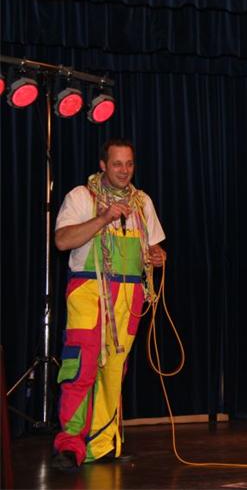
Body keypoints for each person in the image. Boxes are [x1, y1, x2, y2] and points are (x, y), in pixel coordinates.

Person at [51, 139, 166, 470]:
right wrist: (102, 219)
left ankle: (102, 445)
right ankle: (70, 445)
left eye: (129, 164)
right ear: (103, 165)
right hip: (89, 290)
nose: (124, 170)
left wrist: (157, 256)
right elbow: (62, 241)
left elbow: (155, 248)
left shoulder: (142, 201)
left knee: (115, 371)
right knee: (82, 367)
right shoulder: (81, 196)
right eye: (117, 163)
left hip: (129, 295)